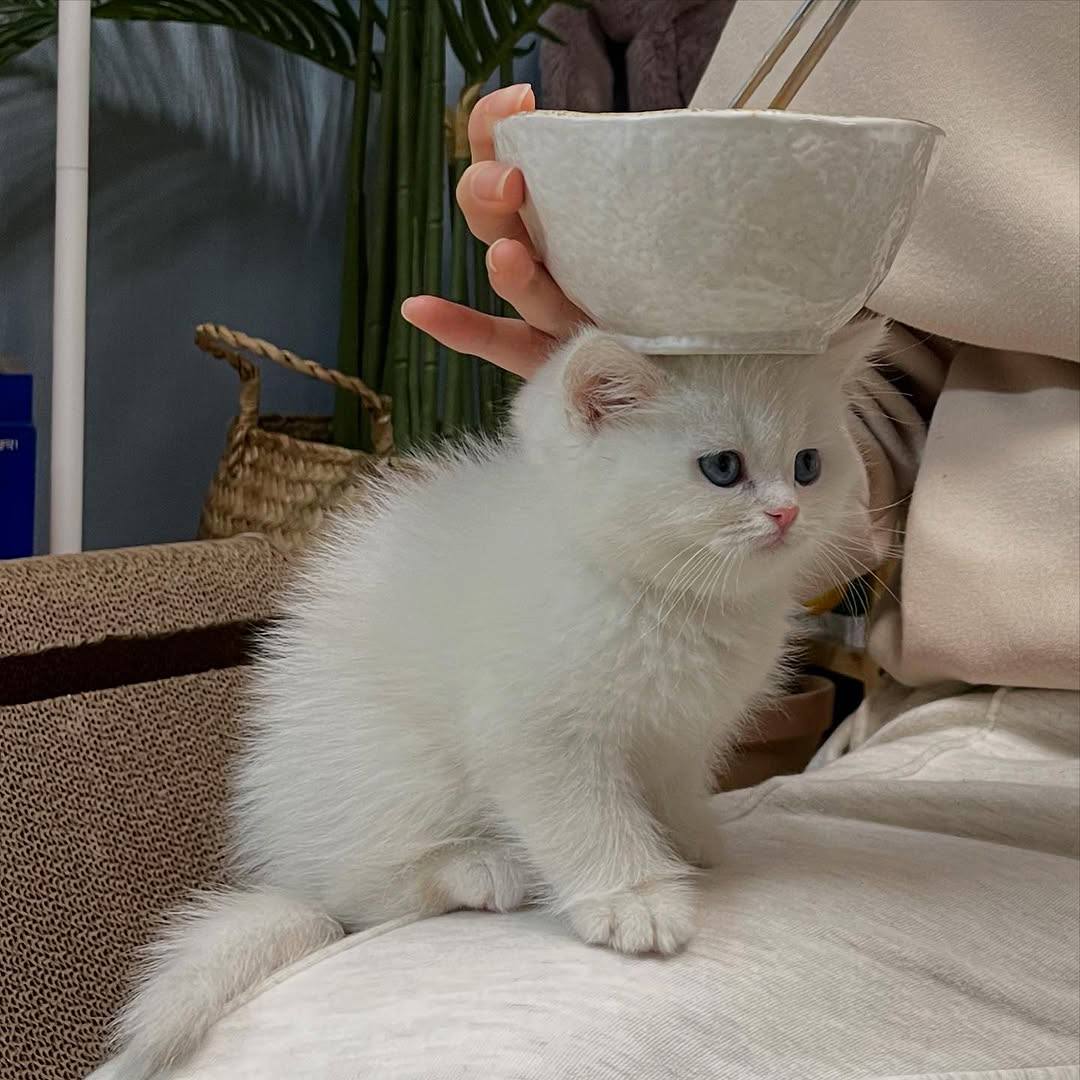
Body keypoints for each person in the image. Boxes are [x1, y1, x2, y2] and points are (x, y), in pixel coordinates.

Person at [145, 4, 1078, 1076]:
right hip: (983, 750)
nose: (783, 508)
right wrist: (666, 368)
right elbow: (880, 386)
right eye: (736, 476)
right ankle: (410, 871)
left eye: (795, 480)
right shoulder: (874, 35)